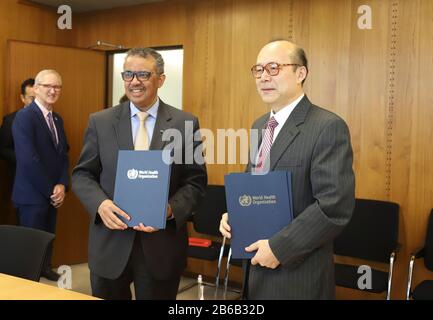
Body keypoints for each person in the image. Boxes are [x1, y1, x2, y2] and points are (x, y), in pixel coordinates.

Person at [219, 40, 355, 299]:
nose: (263, 77)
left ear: (300, 73)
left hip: (297, 274)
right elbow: (254, 185)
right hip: (255, 268)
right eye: (258, 70)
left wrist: (279, 248)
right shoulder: (260, 125)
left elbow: (334, 207)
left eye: (273, 68)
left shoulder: (327, 126)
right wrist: (234, 214)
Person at [72, 48, 207, 300]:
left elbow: (196, 182)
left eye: (143, 74)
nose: (134, 81)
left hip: (161, 247)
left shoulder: (185, 123)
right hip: (109, 244)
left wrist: (170, 210)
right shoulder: (100, 121)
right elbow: (82, 175)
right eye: (128, 74)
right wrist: (100, 204)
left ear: (161, 79)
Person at [12, 70, 69, 281]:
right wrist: (51, 190)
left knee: (47, 237)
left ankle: (45, 268)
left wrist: (62, 184)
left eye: (57, 87)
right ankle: (30, 282)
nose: (53, 91)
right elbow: (28, 159)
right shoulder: (25, 117)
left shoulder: (57, 118)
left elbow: (63, 154)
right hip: (32, 194)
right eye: (48, 86)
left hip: (52, 193)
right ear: (36, 88)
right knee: (31, 247)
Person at [0, 78, 35, 181]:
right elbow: (2, 148)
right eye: (32, 98)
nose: (36, 102)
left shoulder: (52, 118)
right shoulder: (10, 120)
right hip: (21, 177)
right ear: (22, 98)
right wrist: (24, 159)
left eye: (39, 98)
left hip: (49, 179)